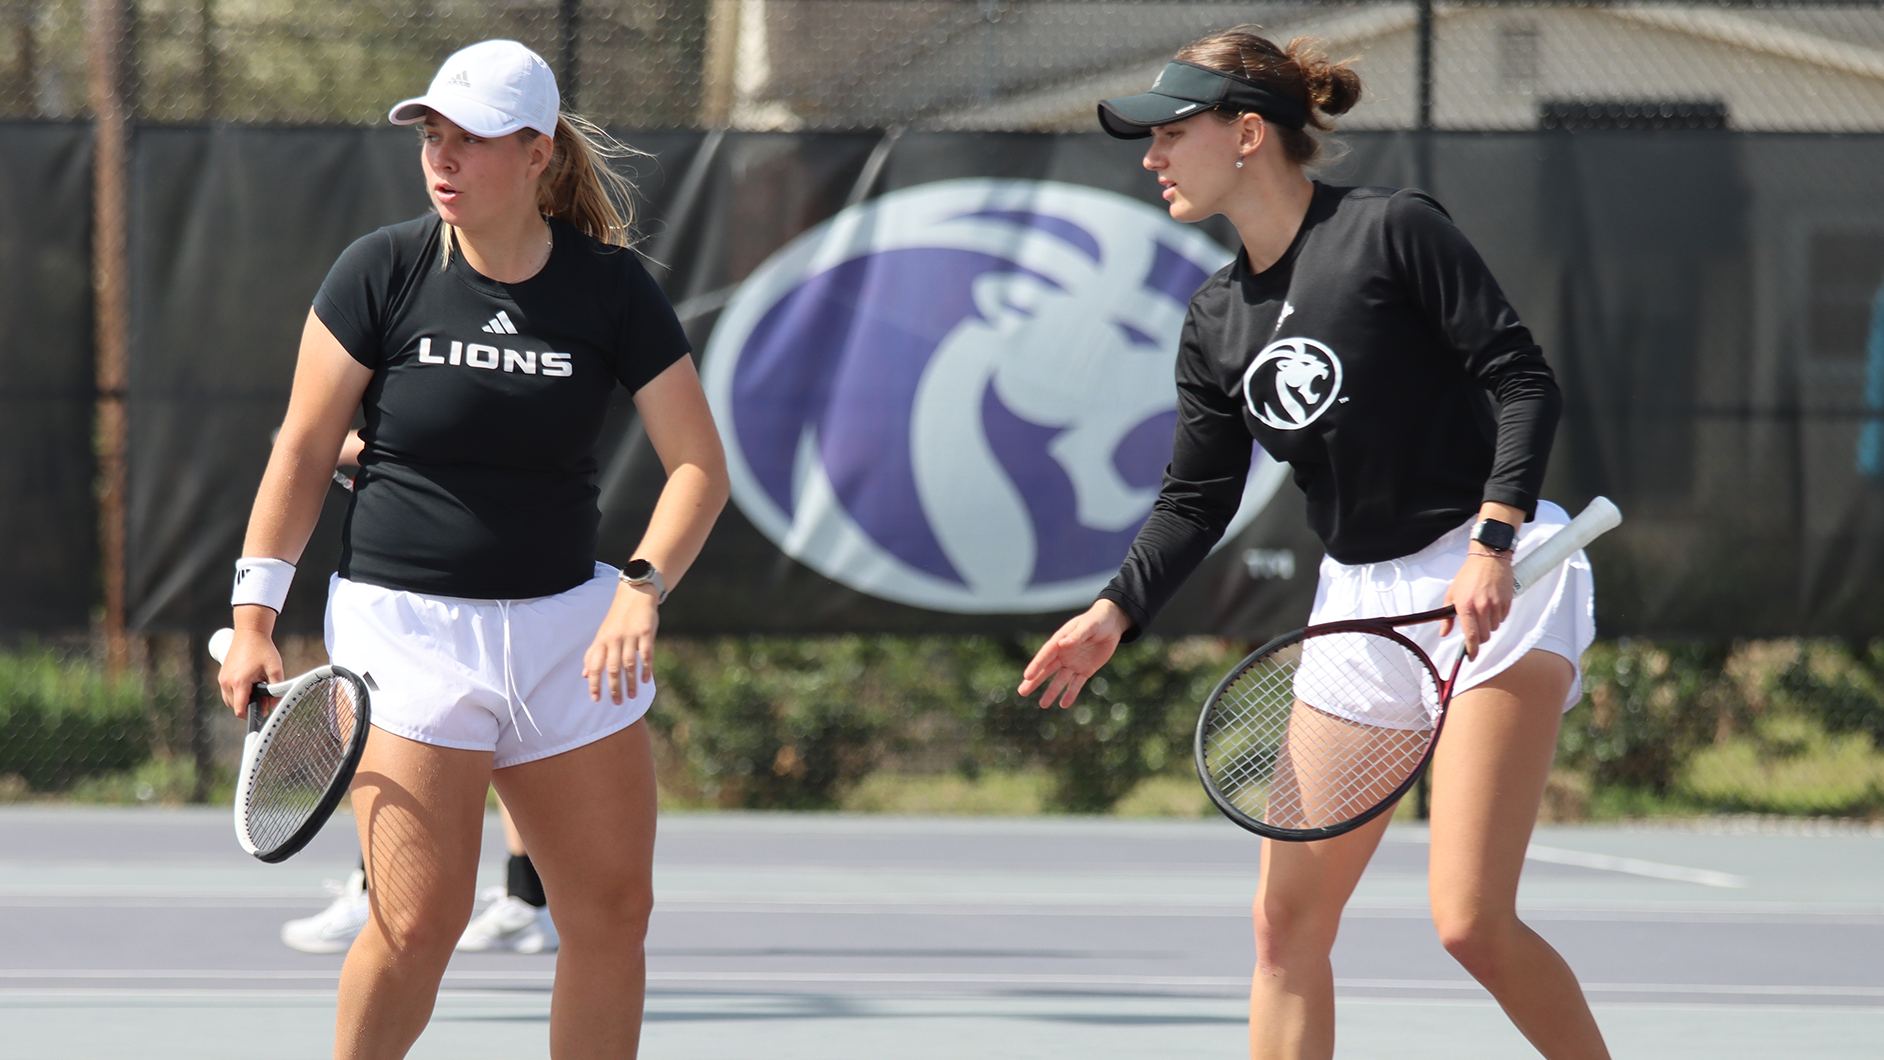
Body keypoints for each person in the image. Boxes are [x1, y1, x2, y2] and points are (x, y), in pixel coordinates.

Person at [1018, 27, 1608, 1060]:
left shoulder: (1393, 233)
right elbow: (1197, 494)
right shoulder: (1213, 319)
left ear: (1248, 133)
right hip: (1360, 603)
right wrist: (1115, 609)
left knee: (1469, 920)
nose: (1151, 155)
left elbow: (1523, 380)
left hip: (1501, 573)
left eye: (1170, 132)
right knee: (1286, 926)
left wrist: (1495, 539)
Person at [219, 38, 727, 1059]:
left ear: (538, 153)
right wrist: (253, 617)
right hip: (406, 634)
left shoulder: (612, 290)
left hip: (565, 637)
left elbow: (698, 470)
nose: (441, 160)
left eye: (472, 141)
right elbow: (307, 447)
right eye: (432, 138)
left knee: (613, 915)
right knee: (417, 923)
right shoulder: (383, 269)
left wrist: (641, 588)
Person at [281, 434, 557, 957]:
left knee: (504, 746)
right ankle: (525, 899)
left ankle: (389, 893)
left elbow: (389, 432)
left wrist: (326, 445)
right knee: (503, 743)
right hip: (430, 587)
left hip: (471, 592)